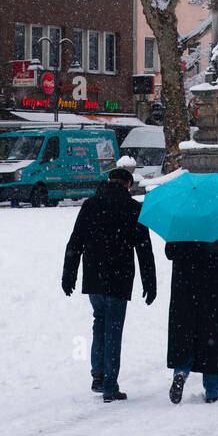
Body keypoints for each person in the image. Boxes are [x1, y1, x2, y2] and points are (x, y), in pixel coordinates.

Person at [62, 166, 156, 402]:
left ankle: (98, 374)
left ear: (109, 181)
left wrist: (68, 275)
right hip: (120, 276)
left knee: (99, 322)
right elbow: (144, 249)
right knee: (113, 329)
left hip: (94, 276)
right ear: (127, 185)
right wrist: (149, 282)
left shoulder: (90, 205)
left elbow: (75, 241)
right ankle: (110, 385)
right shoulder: (134, 209)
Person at [165, 231, 218, 404]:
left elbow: (169, 252)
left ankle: (180, 372)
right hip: (214, 289)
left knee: (184, 333)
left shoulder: (181, 221)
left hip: (184, 287)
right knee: (212, 337)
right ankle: (212, 389)